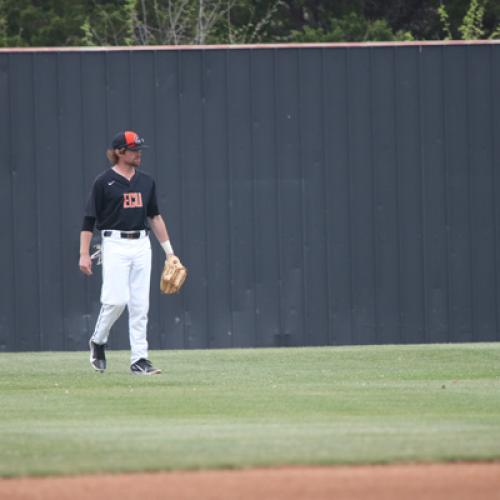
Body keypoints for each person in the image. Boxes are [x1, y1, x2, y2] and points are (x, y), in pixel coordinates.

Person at [79, 130, 175, 375]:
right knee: (116, 301)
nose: (138, 154)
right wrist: (83, 254)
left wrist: (169, 253)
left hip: (141, 243)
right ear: (120, 152)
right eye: (134, 150)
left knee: (140, 305)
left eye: (139, 149)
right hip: (114, 244)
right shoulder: (104, 182)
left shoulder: (146, 181)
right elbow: (89, 220)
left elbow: (154, 216)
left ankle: (139, 360)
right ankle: (98, 340)